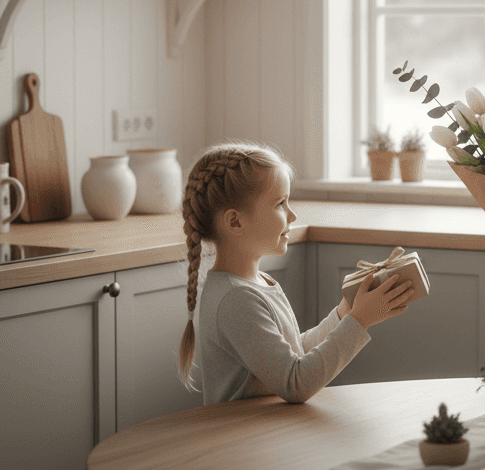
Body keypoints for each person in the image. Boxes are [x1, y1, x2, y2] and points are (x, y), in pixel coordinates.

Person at [176, 141, 416, 405]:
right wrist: (359, 322)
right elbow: (295, 383)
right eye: (280, 204)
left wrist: (345, 313)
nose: (292, 215)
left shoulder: (257, 284)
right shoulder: (236, 299)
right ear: (235, 221)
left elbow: (294, 355)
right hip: (243, 440)